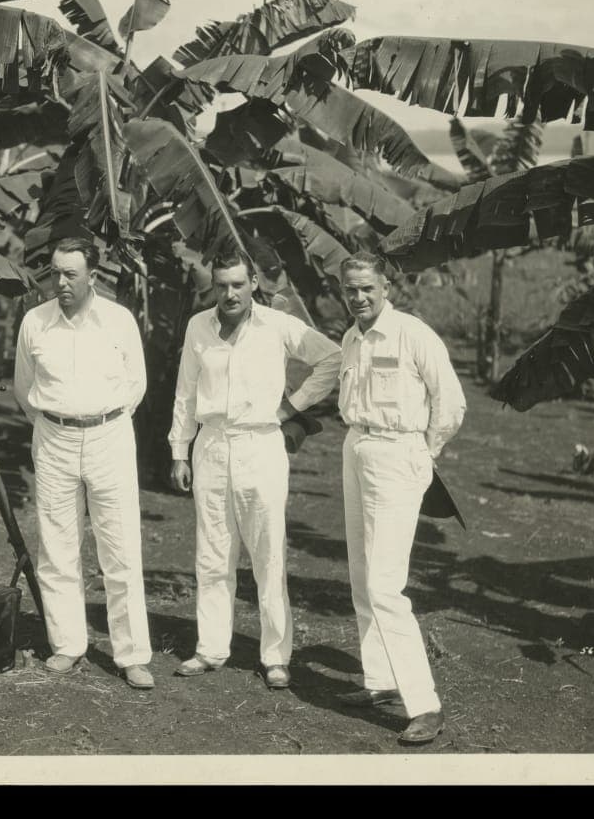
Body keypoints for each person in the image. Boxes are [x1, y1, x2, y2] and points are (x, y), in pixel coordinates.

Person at [168, 250, 340, 690]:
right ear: (214, 286)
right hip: (211, 446)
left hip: (261, 445)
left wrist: (292, 406)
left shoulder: (277, 325)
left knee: (268, 555)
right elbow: (186, 392)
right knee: (212, 554)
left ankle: (276, 656)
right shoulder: (197, 327)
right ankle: (210, 648)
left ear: (254, 284)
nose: (230, 293)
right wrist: (179, 450)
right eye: (222, 285)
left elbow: (332, 359)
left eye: (238, 284)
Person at [335, 253, 466, 744]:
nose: (359, 298)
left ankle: (424, 703)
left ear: (386, 287)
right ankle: (381, 681)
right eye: (351, 289)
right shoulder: (352, 339)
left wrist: (422, 453)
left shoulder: (412, 334)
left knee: (386, 585)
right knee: (361, 575)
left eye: (367, 288)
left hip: (399, 452)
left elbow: (450, 403)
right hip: (356, 447)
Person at [13, 237, 154, 690]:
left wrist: (101, 419)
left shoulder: (118, 320)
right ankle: (67, 644)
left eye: (70, 274)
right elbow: (23, 388)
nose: (60, 282)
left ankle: (132, 655)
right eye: (55, 272)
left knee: (120, 549)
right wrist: (56, 420)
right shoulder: (35, 321)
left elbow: (136, 384)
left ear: (92, 275)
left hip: (109, 435)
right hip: (53, 437)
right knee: (56, 548)